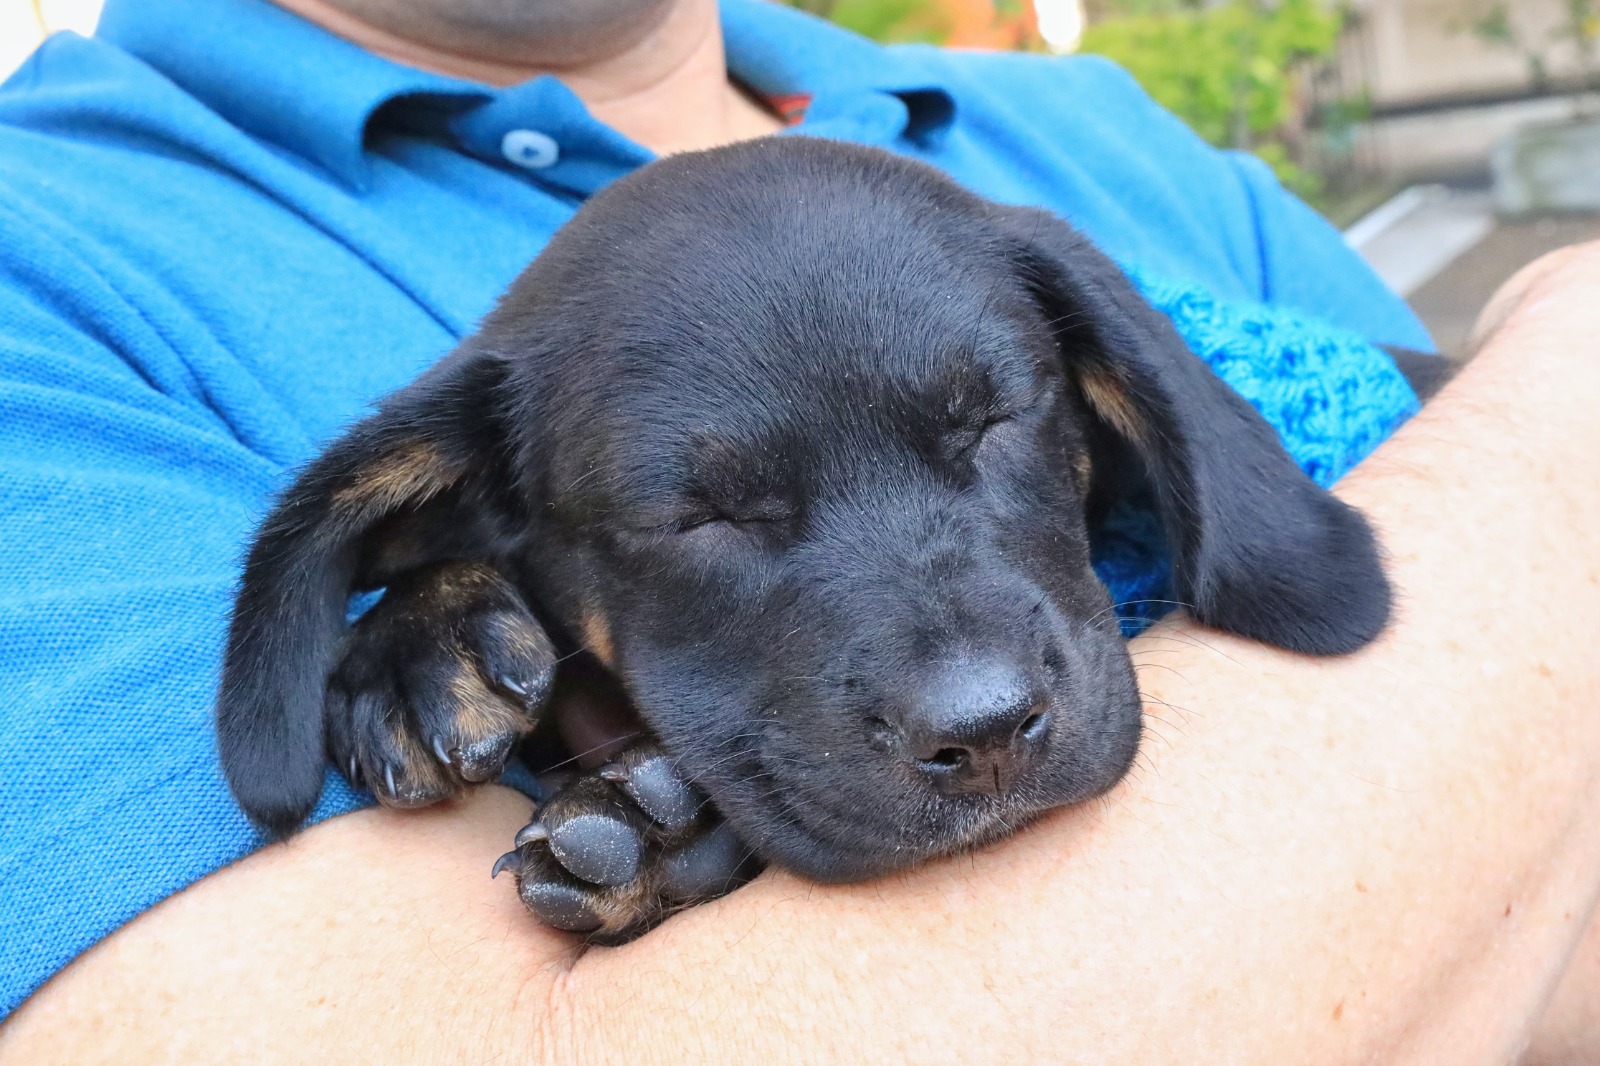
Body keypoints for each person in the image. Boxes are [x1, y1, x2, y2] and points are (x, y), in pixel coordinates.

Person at [0, 0, 1596, 1059]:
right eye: (693, 509)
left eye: (995, 424)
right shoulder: (46, 267)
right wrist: (1564, 418)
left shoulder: (1110, 140)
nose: (977, 693)